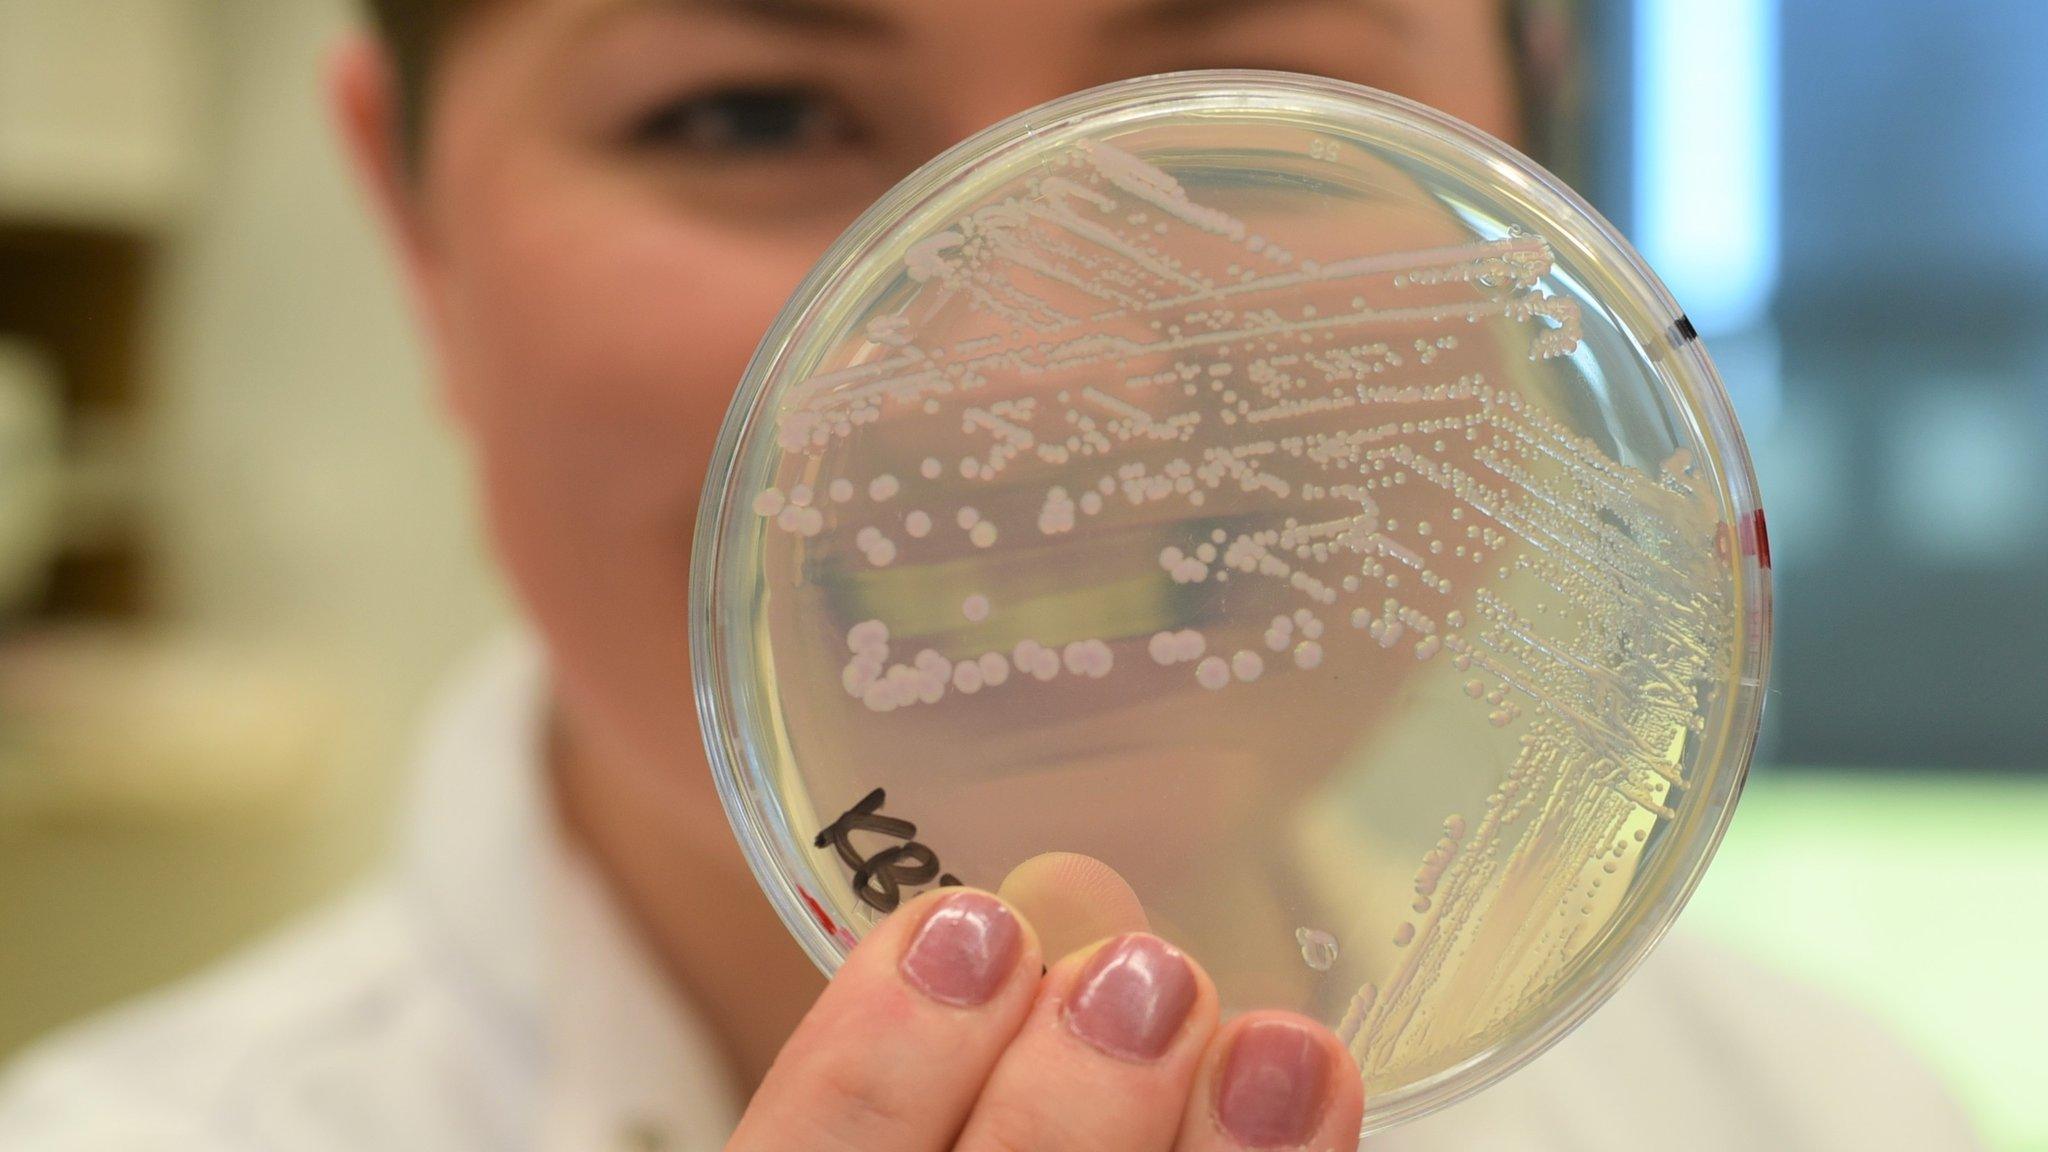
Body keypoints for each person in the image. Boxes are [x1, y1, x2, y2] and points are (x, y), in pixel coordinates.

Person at [0, 1, 1982, 1149]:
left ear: (1546, 148)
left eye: (1237, 111)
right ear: (410, 227)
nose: (1047, 371)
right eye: (751, 112)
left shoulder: (1843, 1119)